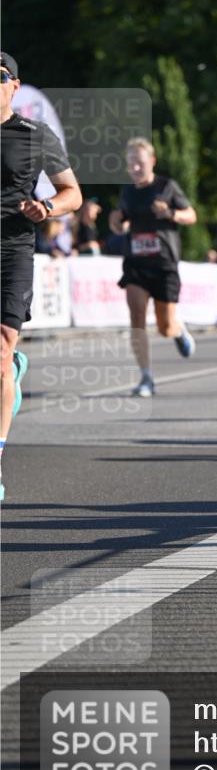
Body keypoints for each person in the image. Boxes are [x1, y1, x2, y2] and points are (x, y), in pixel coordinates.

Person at [0, 51, 82, 499]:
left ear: (15, 85)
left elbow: (73, 193)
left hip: (11, 250)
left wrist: (46, 206)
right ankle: (11, 369)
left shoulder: (35, 135)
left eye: (0, 76)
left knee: (0, 345)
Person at [109, 137, 197, 397]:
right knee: (136, 316)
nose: (136, 168)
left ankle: (178, 330)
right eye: (131, 164)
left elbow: (191, 215)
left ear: (152, 162)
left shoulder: (166, 186)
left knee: (164, 327)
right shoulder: (127, 192)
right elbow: (121, 223)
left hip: (164, 263)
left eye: (140, 163)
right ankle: (146, 378)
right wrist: (116, 222)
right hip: (136, 262)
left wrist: (170, 213)